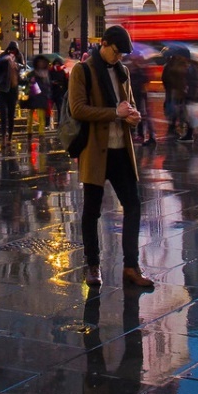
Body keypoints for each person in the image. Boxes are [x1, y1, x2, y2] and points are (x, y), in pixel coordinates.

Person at [67, 25, 153, 290]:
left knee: (133, 205)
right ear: (102, 44)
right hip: (95, 150)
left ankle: (131, 266)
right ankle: (92, 264)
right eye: (116, 53)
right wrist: (115, 113)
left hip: (121, 150)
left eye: (122, 55)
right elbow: (78, 109)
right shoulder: (82, 71)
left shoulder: (122, 71)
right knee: (92, 210)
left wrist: (132, 116)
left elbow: (127, 104)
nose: (118, 58)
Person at [0, 43, 23, 146]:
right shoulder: (3, 58)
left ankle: (9, 137)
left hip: (13, 90)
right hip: (3, 90)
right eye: (10, 50)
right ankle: (3, 138)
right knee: (3, 115)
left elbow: (22, 70)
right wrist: (6, 60)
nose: (12, 52)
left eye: (14, 51)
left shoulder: (19, 58)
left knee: (11, 115)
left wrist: (17, 65)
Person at [162, 48, 193, 142]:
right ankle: (177, 128)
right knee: (179, 111)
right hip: (179, 91)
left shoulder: (172, 65)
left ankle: (175, 128)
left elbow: (165, 78)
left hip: (174, 91)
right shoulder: (185, 65)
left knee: (176, 110)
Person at [128, 60, 155, 145]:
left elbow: (144, 80)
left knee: (140, 114)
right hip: (136, 95)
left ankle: (144, 135)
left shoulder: (139, 70)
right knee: (138, 114)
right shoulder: (134, 69)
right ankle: (140, 134)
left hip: (139, 95)